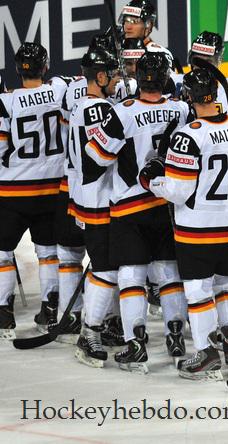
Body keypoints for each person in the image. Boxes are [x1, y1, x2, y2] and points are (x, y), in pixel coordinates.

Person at [140, 68, 228, 379]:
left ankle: (206, 353)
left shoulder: (188, 135)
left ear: (189, 97)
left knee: (198, 290)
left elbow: (178, 191)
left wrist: (152, 181)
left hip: (198, 230)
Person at [85, 52, 188, 373]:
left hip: (129, 206)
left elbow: (97, 157)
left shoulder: (122, 112)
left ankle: (136, 343)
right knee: (168, 272)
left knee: (131, 274)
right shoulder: (181, 109)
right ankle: (175, 336)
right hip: (167, 205)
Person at [0, 42, 65, 339]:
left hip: (13, 193)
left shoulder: (7, 102)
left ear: (16, 70)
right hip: (51, 189)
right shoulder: (60, 90)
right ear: (46, 66)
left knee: (2, 254)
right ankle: (50, 309)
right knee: (48, 252)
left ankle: (3, 313)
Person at [66, 47, 122, 366]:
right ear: (100, 77)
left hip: (86, 198)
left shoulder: (79, 106)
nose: (116, 80)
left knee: (106, 265)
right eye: (112, 75)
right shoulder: (102, 109)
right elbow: (104, 155)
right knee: (105, 268)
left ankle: (105, 322)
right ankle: (90, 332)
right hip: (101, 199)